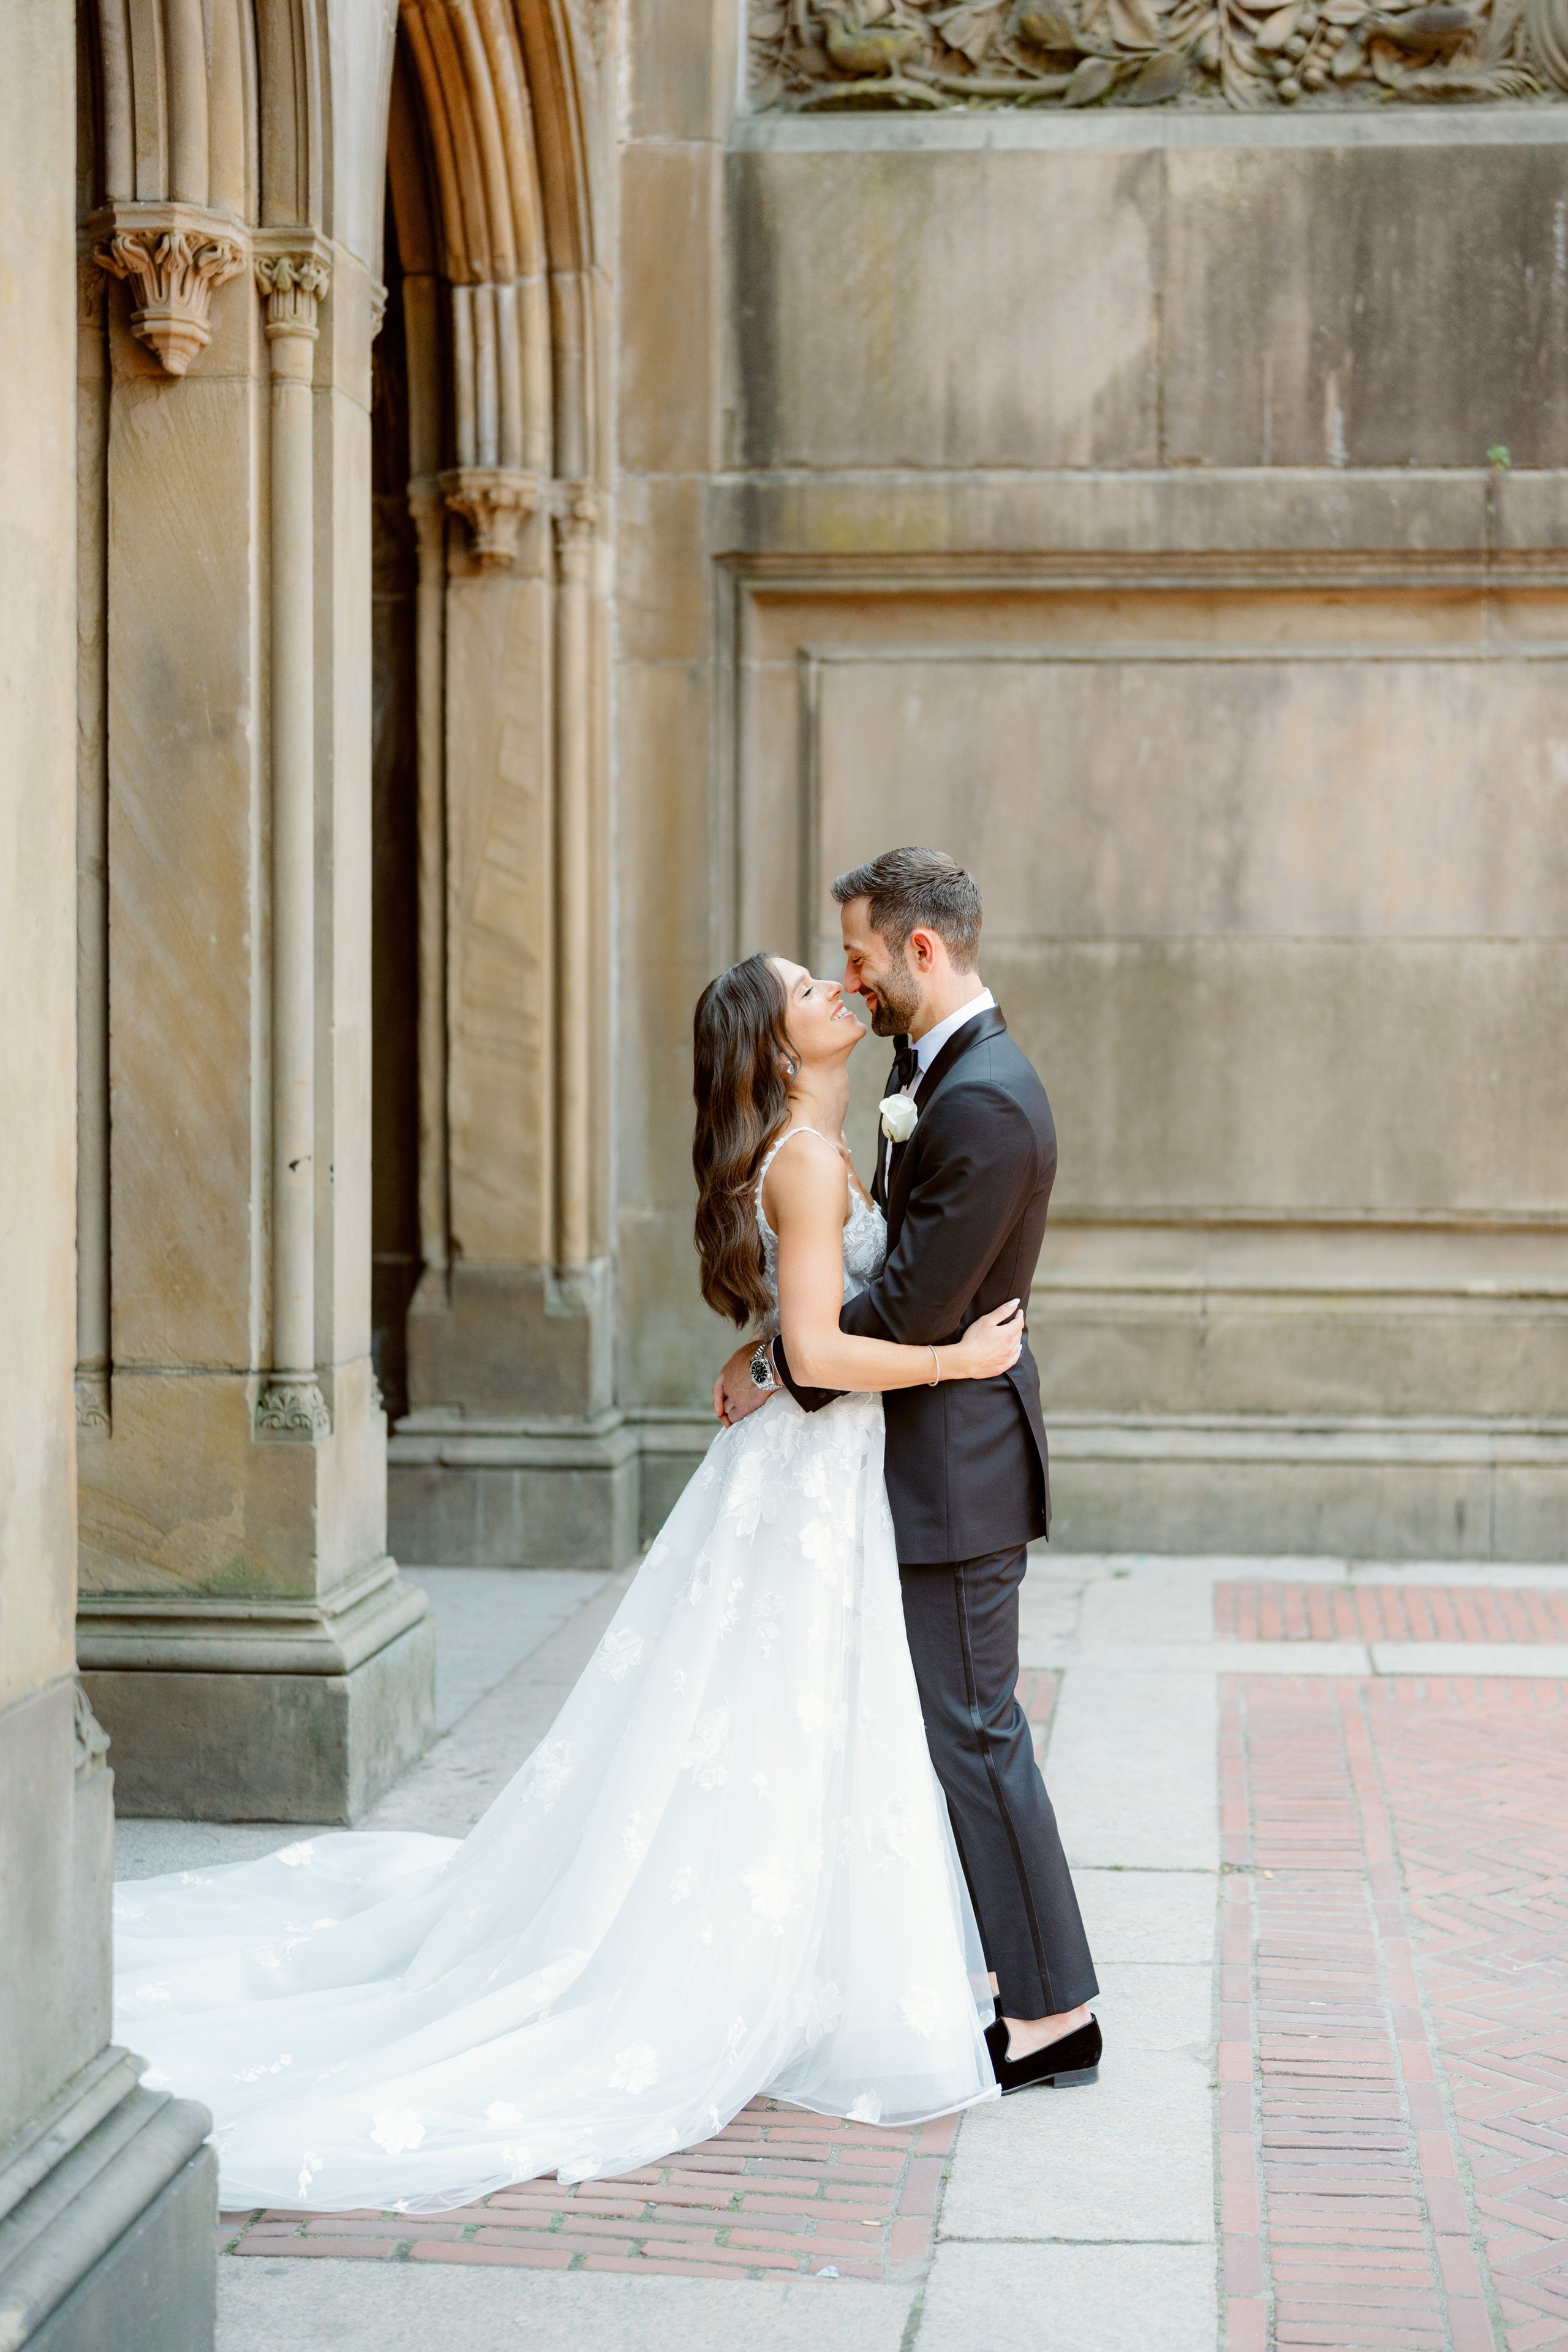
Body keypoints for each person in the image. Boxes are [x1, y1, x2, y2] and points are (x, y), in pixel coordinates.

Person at [111, 938, 1043, 2217]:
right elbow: (828, 1347)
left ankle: (799, 1952)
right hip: (808, 1475)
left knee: (782, 1721)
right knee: (779, 1718)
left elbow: (798, 1337)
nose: (835, 992)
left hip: (802, 1476)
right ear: (781, 1050)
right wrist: (956, 1366)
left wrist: (767, 1354)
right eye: (803, 994)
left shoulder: (813, 1151)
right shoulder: (813, 1164)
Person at [717, 847, 1099, 2095]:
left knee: (978, 1734)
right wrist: (781, 1346)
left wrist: (782, 1361)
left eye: (860, 955)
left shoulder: (982, 1099)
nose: (852, 977)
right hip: (925, 1458)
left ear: (919, 951)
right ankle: (1016, 1984)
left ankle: (1051, 2017)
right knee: (955, 1735)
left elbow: (918, 1312)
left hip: (957, 1469)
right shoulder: (923, 1070)